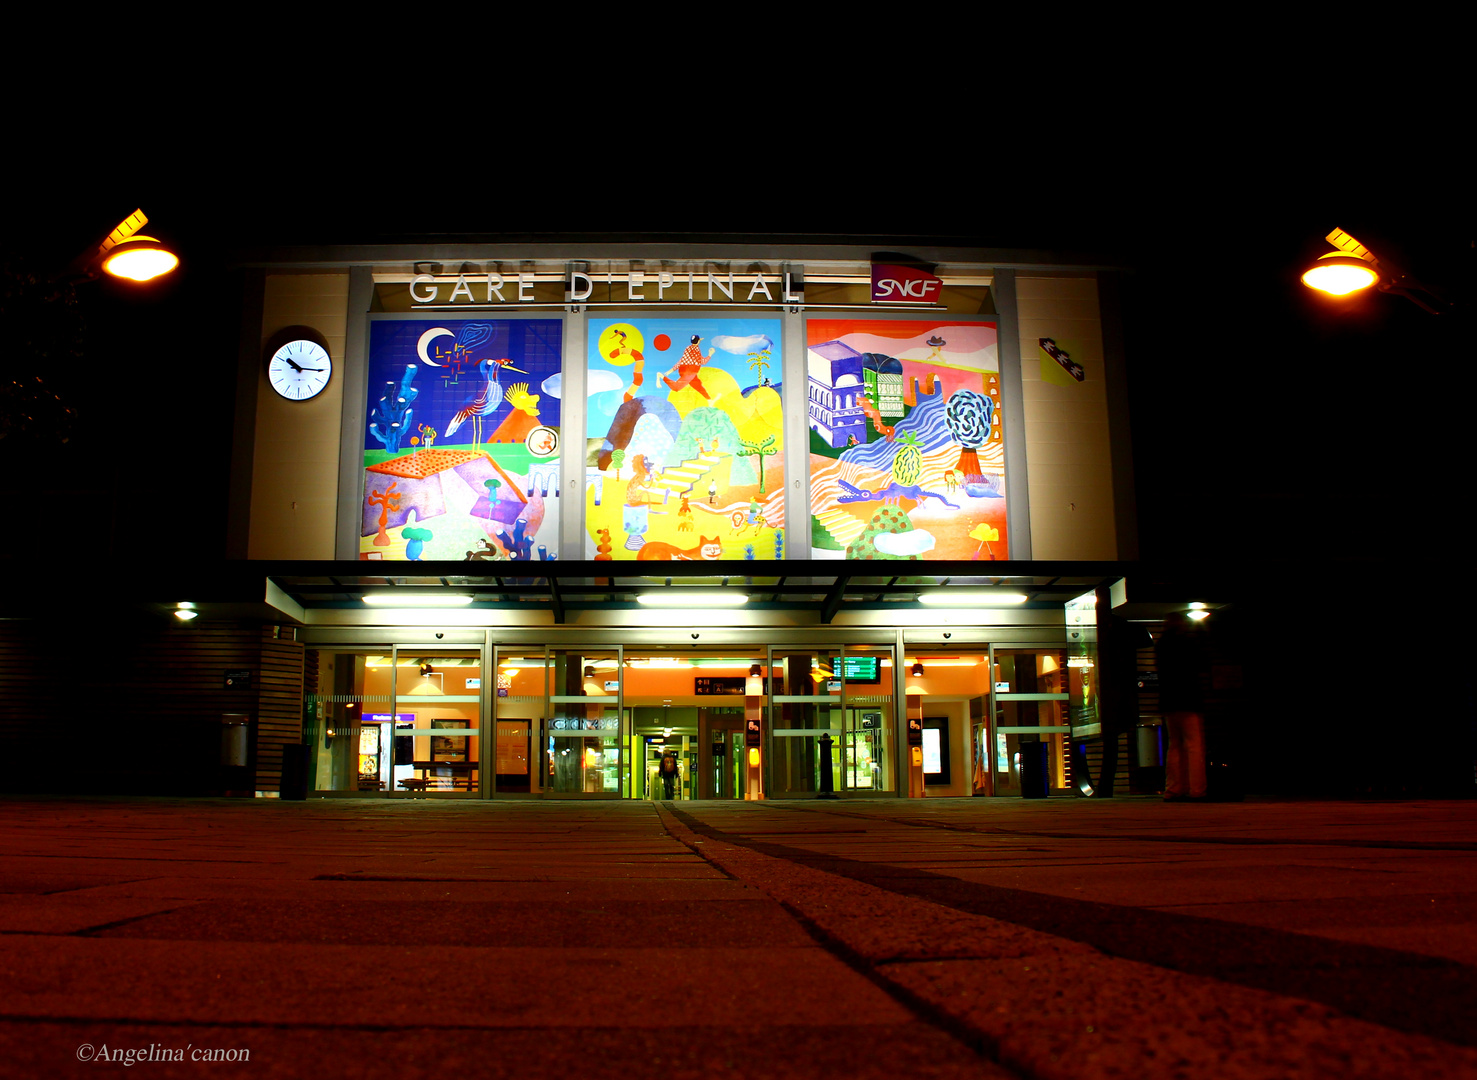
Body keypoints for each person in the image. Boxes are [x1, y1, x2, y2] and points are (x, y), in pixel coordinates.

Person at [1157, 612, 1208, 800]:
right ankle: (1197, 789)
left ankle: (1174, 788)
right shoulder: (1187, 644)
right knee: (1194, 745)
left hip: (1169, 701)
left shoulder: (1162, 644)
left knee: (1175, 745)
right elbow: (1200, 665)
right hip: (1189, 699)